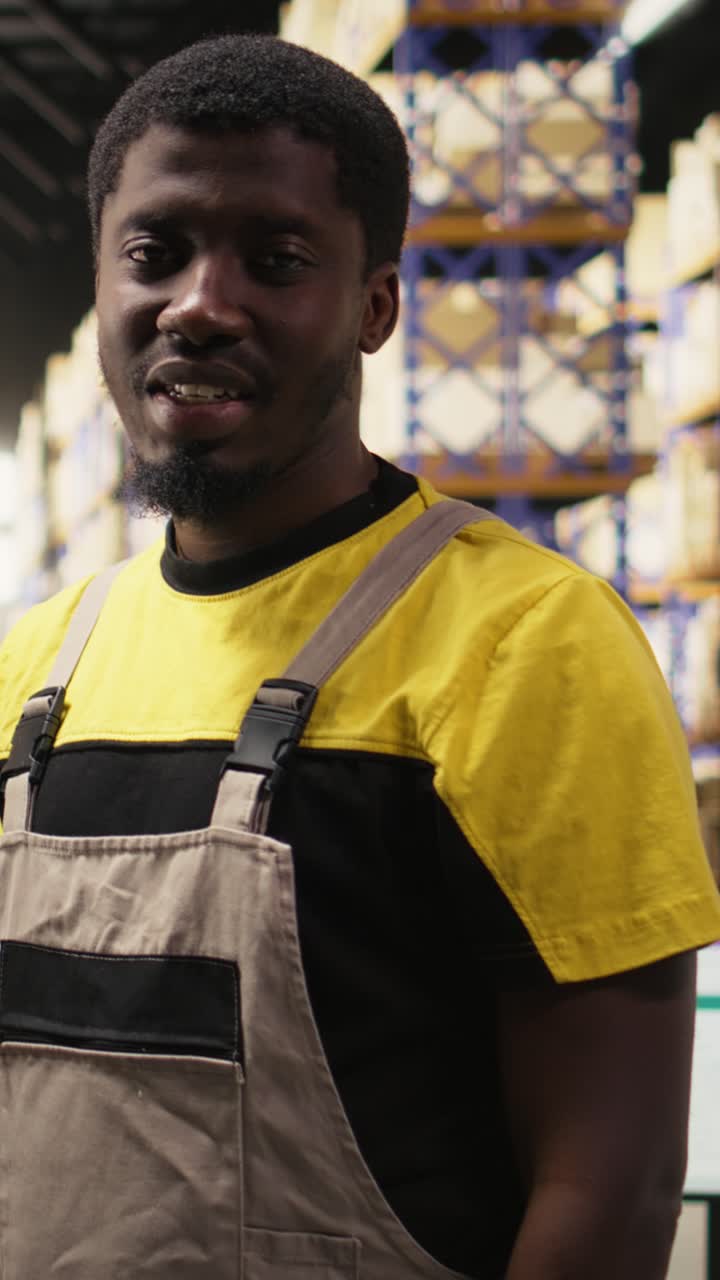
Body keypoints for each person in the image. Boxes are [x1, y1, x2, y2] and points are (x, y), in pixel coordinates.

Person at [0, 32, 718, 1280]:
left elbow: (611, 1183)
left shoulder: (524, 641)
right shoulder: (33, 665)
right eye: (155, 253)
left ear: (375, 305)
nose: (202, 304)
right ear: (106, 285)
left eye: (275, 260)